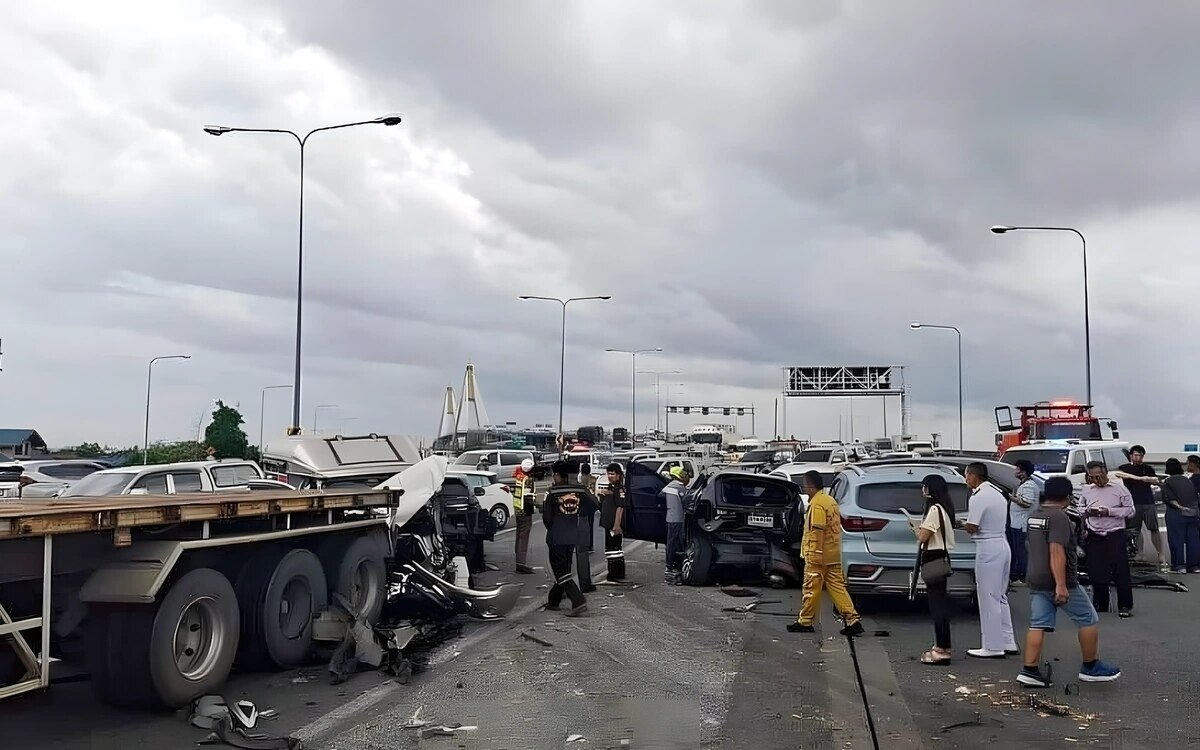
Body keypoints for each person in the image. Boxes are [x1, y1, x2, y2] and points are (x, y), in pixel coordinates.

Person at [1018, 477, 1121, 687]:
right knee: (1088, 617)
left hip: (1036, 577)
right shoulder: (1059, 518)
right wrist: (1061, 585)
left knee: (1038, 623)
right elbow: (1056, 551)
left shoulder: (1034, 515)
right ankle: (1091, 666)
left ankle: (1029, 671)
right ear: (1067, 497)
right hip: (1058, 579)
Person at [788, 471, 864, 636]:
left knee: (811, 589)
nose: (804, 489)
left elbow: (818, 531)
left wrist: (814, 554)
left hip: (818, 555)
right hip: (832, 555)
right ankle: (852, 619)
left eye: (805, 485)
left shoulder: (818, 504)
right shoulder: (830, 501)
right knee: (837, 588)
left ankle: (805, 621)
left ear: (811, 486)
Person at [964, 462, 1018, 658]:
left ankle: (992, 646)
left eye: (967, 475)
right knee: (1000, 595)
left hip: (988, 547)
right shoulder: (997, 493)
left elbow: (972, 526)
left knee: (988, 597)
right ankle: (1007, 640)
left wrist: (958, 523)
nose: (966, 479)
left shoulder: (978, 496)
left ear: (973, 475)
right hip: (1002, 544)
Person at [1080, 461, 1135, 617]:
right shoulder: (1087, 490)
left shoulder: (1119, 488)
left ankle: (1125, 605)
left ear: (1105, 473)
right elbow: (1079, 507)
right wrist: (1087, 512)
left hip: (1114, 532)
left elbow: (1130, 510)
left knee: (1120, 569)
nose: (1097, 480)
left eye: (1099, 476)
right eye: (1092, 477)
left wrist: (1109, 512)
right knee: (1096, 569)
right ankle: (1100, 603)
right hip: (1094, 532)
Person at [912, 474, 956, 664]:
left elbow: (924, 537)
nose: (922, 491)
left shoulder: (935, 510)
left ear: (931, 489)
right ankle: (943, 646)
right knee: (940, 604)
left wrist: (917, 530)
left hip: (933, 558)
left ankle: (942, 649)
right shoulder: (944, 508)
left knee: (937, 606)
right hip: (941, 558)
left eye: (925, 487)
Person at [542, 461, 596, 616]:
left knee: (560, 571)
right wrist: (579, 513)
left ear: (559, 475)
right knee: (564, 569)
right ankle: (554, 601)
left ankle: (578, 600)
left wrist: (554, 528)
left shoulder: (552, 492)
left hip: (556, 536)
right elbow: (594, 503)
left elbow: (547, 518)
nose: (553, 477)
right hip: (573, 535)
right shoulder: (579, 490)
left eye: (555, 475)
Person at [1117, 445, 1165, 568]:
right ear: (1131, 456)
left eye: (1141, 455)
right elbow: (1118, 476)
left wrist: (1145, 479)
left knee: (1154, 528)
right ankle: (1140, 553)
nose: (1138, 458)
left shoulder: (1147, 468)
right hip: (1133, 502)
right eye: (1136, 455)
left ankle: (1160, 553)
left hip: (1148, 502)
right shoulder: (1124, 468)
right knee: (1135, 530)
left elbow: (1155, 480)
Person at [1160, 458, 1200, 574]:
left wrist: (1181, 508)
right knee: (1193, 541)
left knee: (1176, 540)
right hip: (1193, 514)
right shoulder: (1188, 480)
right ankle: (1195, 566)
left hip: (1176, 515)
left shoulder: (1168, 481)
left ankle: (1179, 566)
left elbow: (1170, 499)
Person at [1007, 459, 1039, 584]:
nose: (1015, 471)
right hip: (1017, 523)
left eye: (1018, 469)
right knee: (1018, 550)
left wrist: (1011, 498)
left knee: (1021, 551)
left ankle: (1023, 576)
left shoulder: (1029, 486)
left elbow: (1026, 503)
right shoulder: (1023, 484)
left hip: (1022, 524)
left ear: (1024, 472)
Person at [598, 462, 627, 582]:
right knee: (612, 550)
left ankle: (616, 574)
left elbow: (620, 507)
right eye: (608, 474)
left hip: (613, 525)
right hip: (608, 524)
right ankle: (615, 573)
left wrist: (616, 525)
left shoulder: (619, 489)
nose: (610, 476)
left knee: (614, 550)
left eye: (613, 474)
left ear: (619, 475)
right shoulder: (611, 488)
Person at [661, 466, 689, 584]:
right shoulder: (679, 487)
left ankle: (670, 568)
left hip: (670, 518)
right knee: (675, 544)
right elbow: (687, 502)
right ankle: (672, 570)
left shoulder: (668, 487)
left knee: (671, 543)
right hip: (677, 519)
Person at [512, 458, 537, 575]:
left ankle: (518, 561)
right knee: (524, 537)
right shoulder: (528, 480)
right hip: (525, 510)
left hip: (518, 509)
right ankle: (521, 564)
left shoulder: (519, 477)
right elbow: (528, 498)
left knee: (519, 536)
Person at [576, 462, 597, 593]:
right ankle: (590, 544)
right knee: (589, 527)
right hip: (588, 509)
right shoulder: (593, 479)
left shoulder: (577, 483)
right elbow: (595, 499)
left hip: (577, 514)